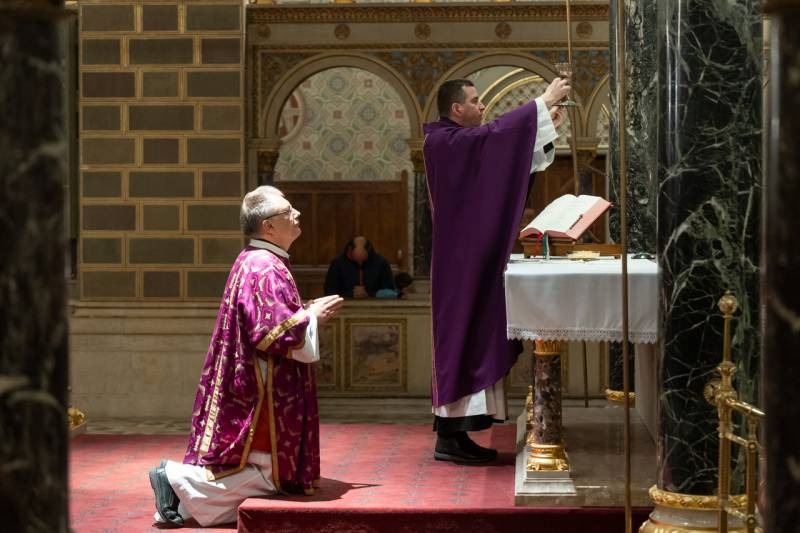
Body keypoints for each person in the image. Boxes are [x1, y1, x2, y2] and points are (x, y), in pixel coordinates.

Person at [147, 185, 343, 528]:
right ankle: (175, 479)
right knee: (267, 474)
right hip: (262, 387)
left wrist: (304, 311)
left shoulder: (257, 259)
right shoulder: (264, 266)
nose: (297, 214)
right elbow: (271, 333)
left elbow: (268, 318)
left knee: (264, 473)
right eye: (288, 211)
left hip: (254, 376)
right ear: (269, 226)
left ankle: (179, 498)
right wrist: (312, 317)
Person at [423, 76, 570, 463]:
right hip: (460, 264)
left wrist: (540, 127)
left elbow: (500, 158)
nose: (482, 106)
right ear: (457, 108)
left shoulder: (459, 141)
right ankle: (450, 438)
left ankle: (456, 436)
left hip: (471, 259)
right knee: (464, 336)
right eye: (475, 100)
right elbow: (493, 139)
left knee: (475, 334)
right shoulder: (442, 141)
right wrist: (540, 104)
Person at [323, 236, 395, 298]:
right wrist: (351, 294)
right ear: (350, 251)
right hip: (344, 305)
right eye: (356, 260)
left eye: (363, 260)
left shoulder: (382, 263)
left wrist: (368, 294)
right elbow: (329, 292)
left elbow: (390, 291)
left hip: (376, 306)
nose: (360, 263)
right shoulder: (337, 263)